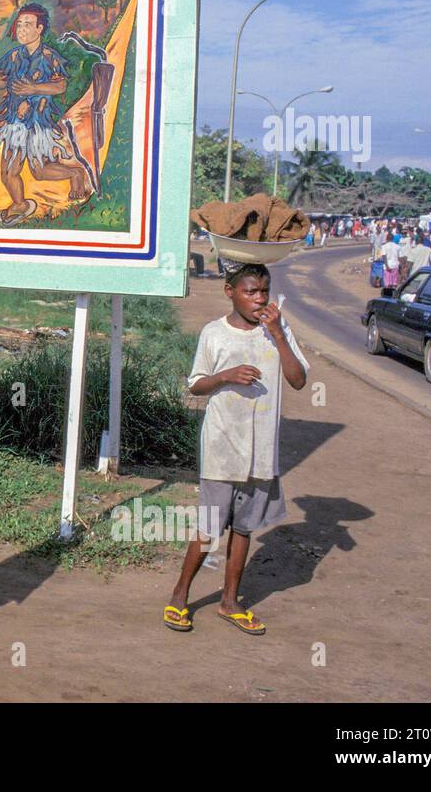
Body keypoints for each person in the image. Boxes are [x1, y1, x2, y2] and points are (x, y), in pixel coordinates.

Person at [164, 263, 308, 635]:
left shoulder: (278, 330)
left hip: (261, 450)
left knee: (244, 529)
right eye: (250, 291)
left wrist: (277, 333)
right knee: (209, 528)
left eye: (264, 291)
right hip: (222, 446)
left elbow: (297, 380)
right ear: (230, 291)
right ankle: (179, 596)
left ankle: (230, 602)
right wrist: (227, 375)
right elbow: (195, 385)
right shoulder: (215, 333)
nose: (259, 299)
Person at [0, 2, 94, 226]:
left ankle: (76, 174)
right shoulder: (14, 56)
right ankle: (21, 205)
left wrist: (34, 89)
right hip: (14, 122)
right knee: (8, 173)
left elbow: (60, 86)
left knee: (39, 171)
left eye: (27, 25)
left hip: (36, 123)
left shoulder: (50, 57)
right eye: (19, 24)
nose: (21, 29)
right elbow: (2, 80)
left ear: (39, 29)